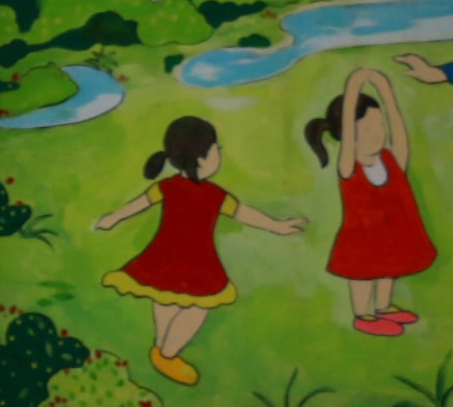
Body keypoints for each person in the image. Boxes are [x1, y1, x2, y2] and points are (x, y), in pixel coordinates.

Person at [96, 114, 308, 383]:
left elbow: (244, 213)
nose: (219, 152)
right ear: (201, 158)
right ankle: (167, 354)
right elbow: (140, 204)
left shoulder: (190, 191)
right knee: (194, 307)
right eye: (215, 149)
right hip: (188, 263)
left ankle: (161, 347)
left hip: (172, 258)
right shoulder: (205, 193)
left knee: (165, 299)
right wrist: (114, 218)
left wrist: (275, 226)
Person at [308, 70, 435, 336]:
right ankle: (363, 315)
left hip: (390, 234)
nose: (377, 134)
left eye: (379, 127)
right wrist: (354, 83)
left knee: (389, 268)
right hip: (362, 238)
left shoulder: (390, 159)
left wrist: (385, 89)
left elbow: (398, 131)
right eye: (367, 129)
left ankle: (383, 306)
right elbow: (349, 130)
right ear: (348, 134)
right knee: (363, 274)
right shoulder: (349, 166)